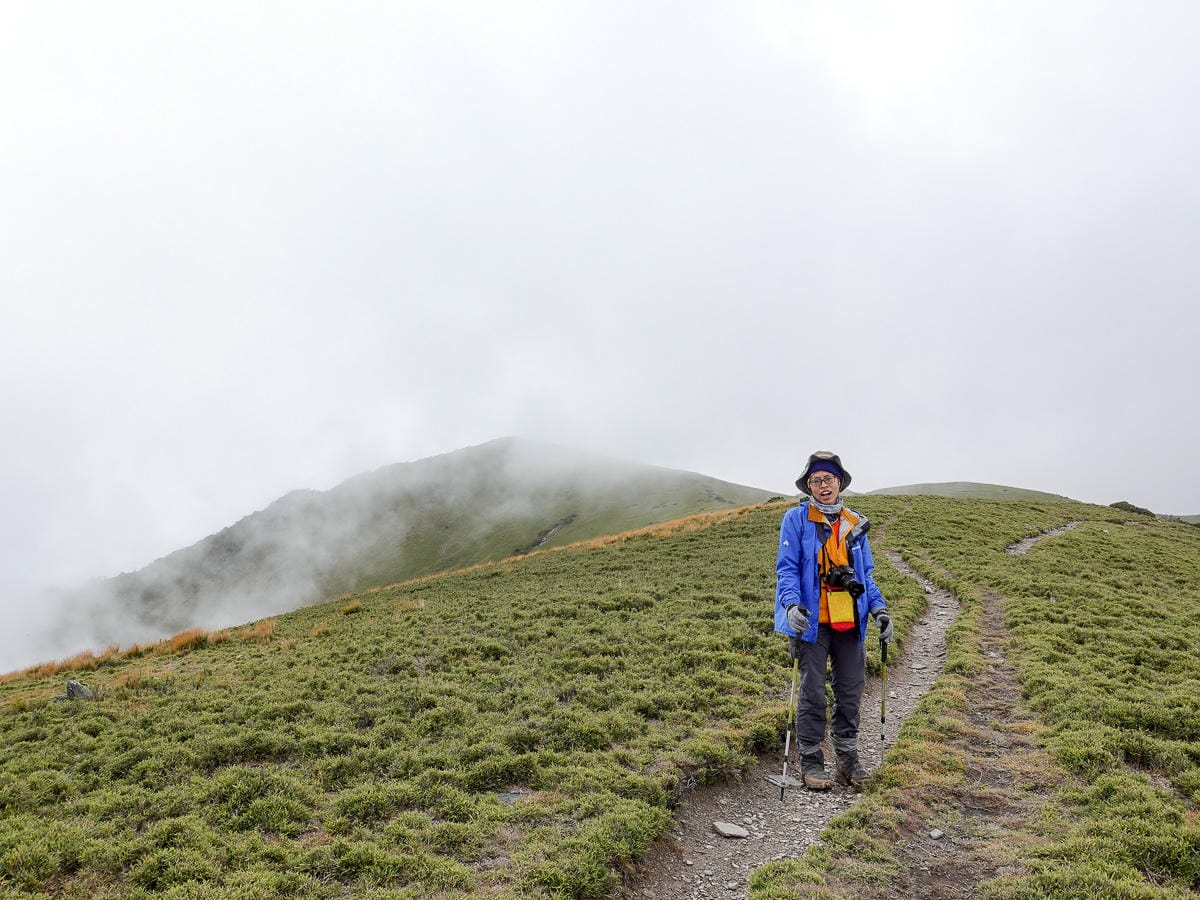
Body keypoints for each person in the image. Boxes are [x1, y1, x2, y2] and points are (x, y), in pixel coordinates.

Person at [774, 451, 893, 790]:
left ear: (839, 482)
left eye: (827, 479)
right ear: (808, 486)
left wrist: (880, 611)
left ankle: (847, 758)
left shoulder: (855, 523)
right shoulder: (795, 520)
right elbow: (787, 569)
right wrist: (792, 605)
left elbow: (866, 574)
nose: (822, 485)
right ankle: (811, 759)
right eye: (815, 481)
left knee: (851, 689)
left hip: (848, 618)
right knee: (812, 691)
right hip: (811, 620)